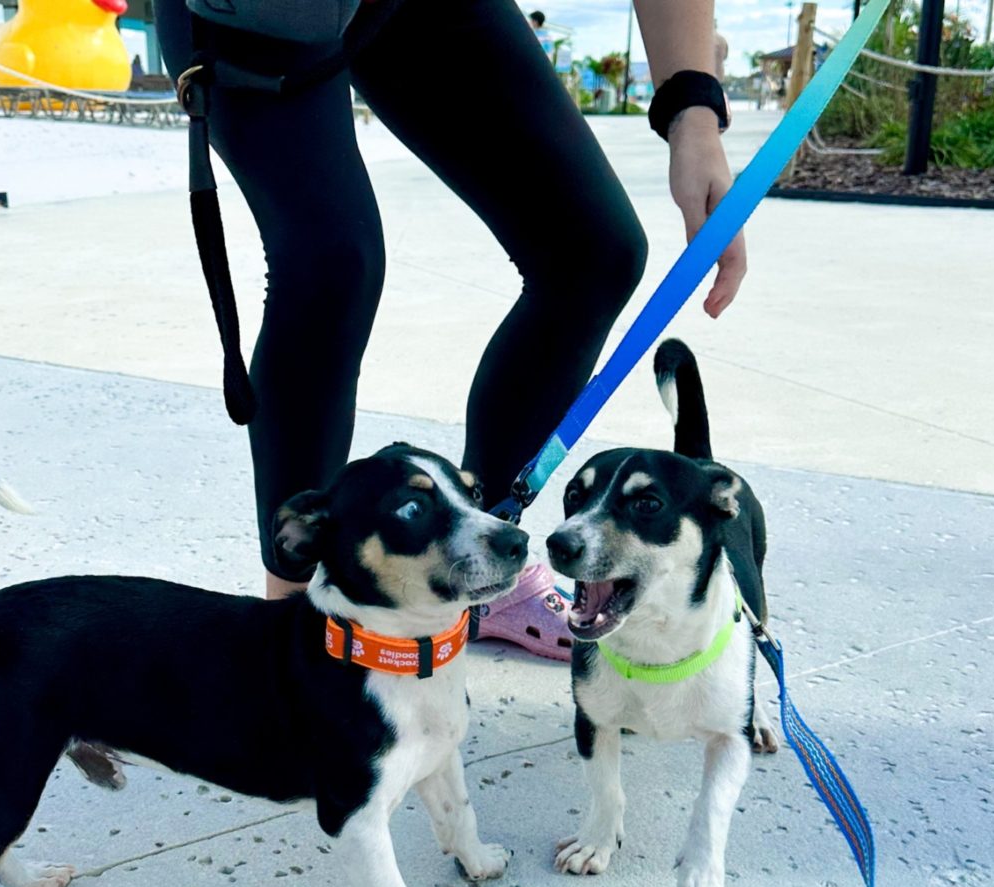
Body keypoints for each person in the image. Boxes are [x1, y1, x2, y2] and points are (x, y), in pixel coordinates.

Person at [155, 0, 745, 657]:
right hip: (265, 12)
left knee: (591, 252)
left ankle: (482, 564)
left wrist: (694, 111)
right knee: (332, 263)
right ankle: (294, 627)